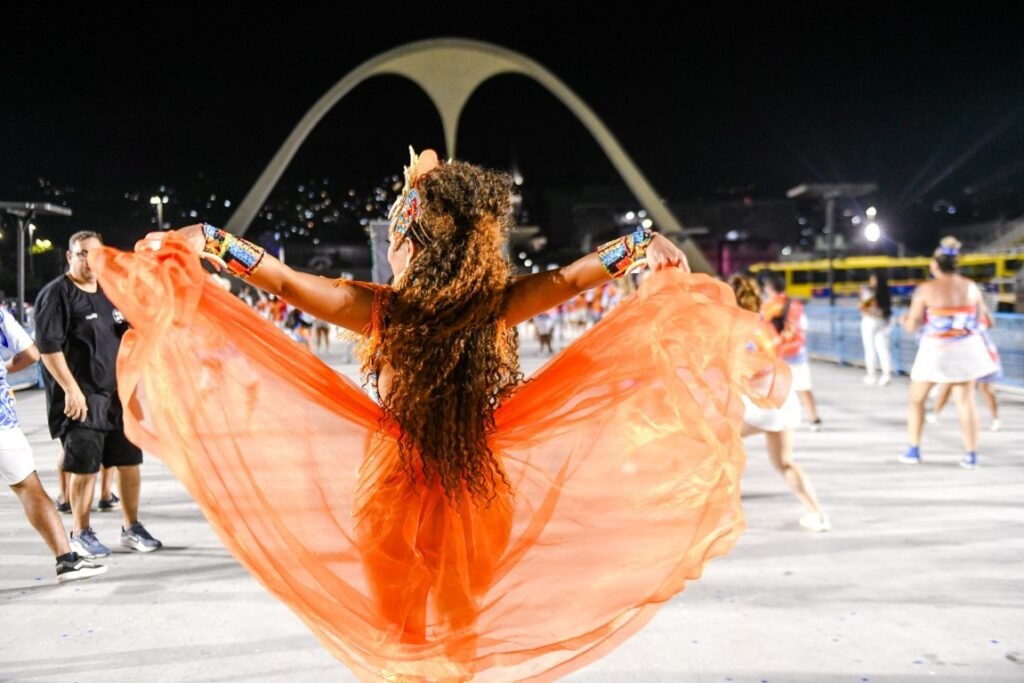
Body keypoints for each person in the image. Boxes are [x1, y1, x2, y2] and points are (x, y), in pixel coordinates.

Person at [91, 148, 786, 681]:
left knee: (402, 633)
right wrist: (638, 245)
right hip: (474, 486)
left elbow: (281, 279)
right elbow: (572, 277)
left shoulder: (381, 309)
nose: (391, 246)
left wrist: (210, 238)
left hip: (398, 486)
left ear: (414, 242)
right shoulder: (492, 306)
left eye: (398, 232)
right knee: (460, 627)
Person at [34, 231, 162, 559]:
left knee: (129, 462)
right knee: (85, 468)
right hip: (82, 398)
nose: (89, 261)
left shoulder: (109, 292)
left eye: (94, 254)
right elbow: (48, 348)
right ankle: (81, 532)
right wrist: (71, 390)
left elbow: (128, 332)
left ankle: (131, 527)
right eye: (82, 254)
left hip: (116, 397)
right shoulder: (57, 294)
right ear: (70, 256)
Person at [0, 307, 107, 582]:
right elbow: (31, 353)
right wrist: (4, 369)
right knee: (29, 489)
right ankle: (66, 560)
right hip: (2, 425)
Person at [730, 275, 830, 532]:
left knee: (715, 444)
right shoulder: (764, 327)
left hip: (757, 405)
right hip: (784, 400)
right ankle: (817, 513)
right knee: (785, 462)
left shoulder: (731, 332)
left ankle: (722, 505)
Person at [900, 236, 997, 469]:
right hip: (966, 349)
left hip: (935, 350)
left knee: (917, 399)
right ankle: (971, 455)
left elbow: (912, 324)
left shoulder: (926, 289)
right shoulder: (971, 287)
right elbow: (985, 320)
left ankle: (914, 450)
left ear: (935, 265)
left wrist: (905, 320)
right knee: (965, 402)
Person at [760, 271, 823, 430]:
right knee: (804, 386)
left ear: (769, 288)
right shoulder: (795, 305)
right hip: (796, 351)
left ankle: (781, 420)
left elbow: (762, 329)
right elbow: (803, 326)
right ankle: (814, 420)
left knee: (778, 389)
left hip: (776, 351)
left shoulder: (767, 307)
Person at [926, 308, 1002, 431]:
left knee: (984, 388)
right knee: (950, 385)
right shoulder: (963, 313)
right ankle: (935, 413)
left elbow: (988, 324)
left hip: (981, 352)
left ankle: (995, 419)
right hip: (967, 353)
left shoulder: (971, 313)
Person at [859, 270, 893, 386]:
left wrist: (861, 295)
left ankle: (871, 375)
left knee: (870, 349)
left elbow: (865, 308)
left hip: (870, 321)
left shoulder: (869, 291)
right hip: (883, 321)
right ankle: (886, 375)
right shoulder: (886, 292)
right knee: (883, 349)